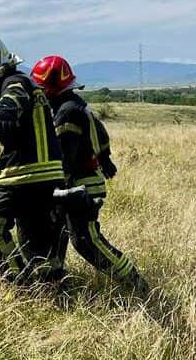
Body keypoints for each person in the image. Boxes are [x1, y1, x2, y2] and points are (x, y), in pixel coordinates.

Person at [30, 55, 149, 293]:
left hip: (83, 184)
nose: (39, 93)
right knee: (56, 230)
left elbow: (66, 157)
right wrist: (105, 159)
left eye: (42, 88)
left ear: (51, 88)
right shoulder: (74, 105)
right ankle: (54, 281)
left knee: (86, 241)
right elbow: (101, 135)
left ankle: (136, 283)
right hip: (83, 179)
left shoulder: (67, 112)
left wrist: (52, 183)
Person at [0, 35, 65, 280]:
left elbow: (13, 99)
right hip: (46, 175)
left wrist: (3, 112)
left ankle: (21, 281)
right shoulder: (24, 83)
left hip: (26, 175)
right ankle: (50, 284)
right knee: (35, 237)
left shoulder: (15, 82)